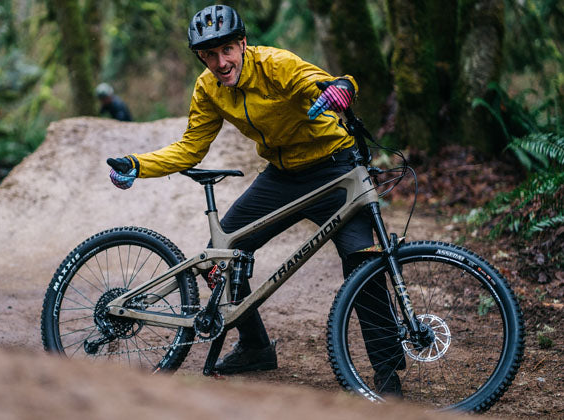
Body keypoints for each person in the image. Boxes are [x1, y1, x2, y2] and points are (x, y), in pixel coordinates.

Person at [106, 5, 404, 396]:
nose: (220, 62)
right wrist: (138, 164)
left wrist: (339, 89)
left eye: (227, 50)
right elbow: (191, 147)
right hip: (281, 177)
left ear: (243, 44)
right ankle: (254, 347)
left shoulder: (275, 65)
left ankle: (386, 373)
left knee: (362, 262)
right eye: (210, 55)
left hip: (334, 170)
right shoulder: (208, 87)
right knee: (221, 255)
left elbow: (320, 80)